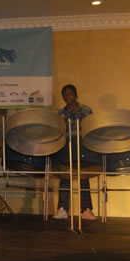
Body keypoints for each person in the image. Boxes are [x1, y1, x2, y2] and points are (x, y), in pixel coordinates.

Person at [52, 85, 97, 220]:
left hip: (83, 145)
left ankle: (86, 210)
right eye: (65, 95)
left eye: (70, 94)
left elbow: (91, 127)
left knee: (83, 175)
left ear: (75, 94)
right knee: (66, 175)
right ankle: (63, 209)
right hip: (67, 146)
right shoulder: (61, 114)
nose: (68, 97)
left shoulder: (86, 110)